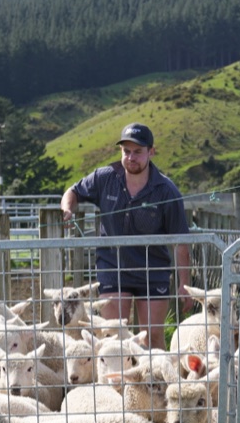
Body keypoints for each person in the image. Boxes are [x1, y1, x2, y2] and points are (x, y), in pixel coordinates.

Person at [60, 123, 194, 349]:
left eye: (138, 152)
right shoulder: (105, 178)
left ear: (151, 152)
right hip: (113, 267)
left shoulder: (166, 190)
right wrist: (67, 209)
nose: (131, 157)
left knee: (152, 337)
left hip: (153, 271)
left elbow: (181, 241)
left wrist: (184, 284)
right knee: (113, 335)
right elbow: (72, 192)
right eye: (126, 151)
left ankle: (155, 372)